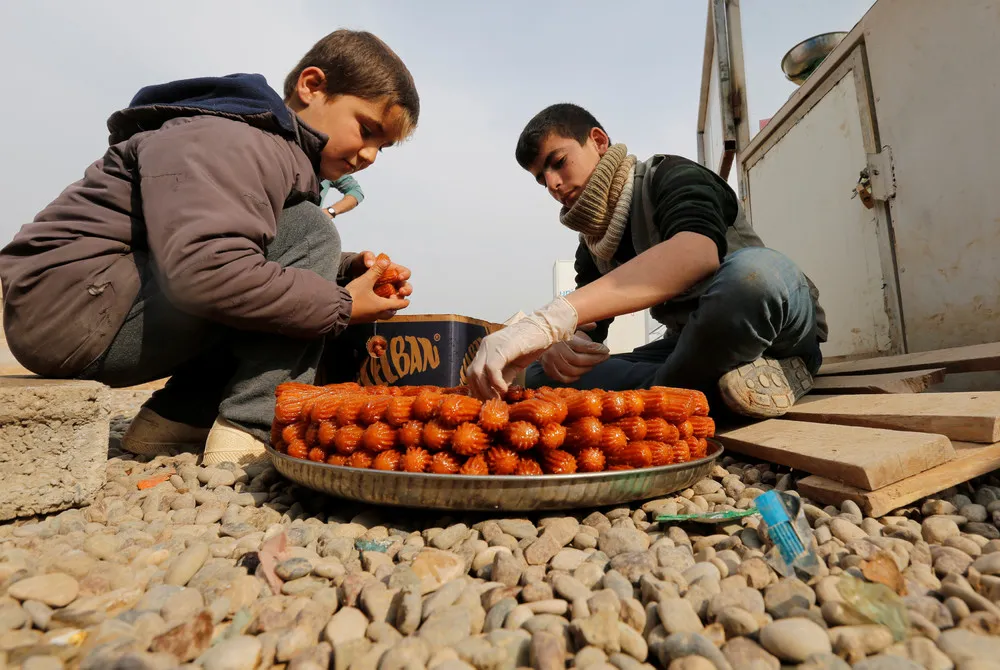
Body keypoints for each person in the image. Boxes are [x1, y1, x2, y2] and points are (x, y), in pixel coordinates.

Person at [0, 29, 419, 465]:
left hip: (77, 309)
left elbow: (230, 248)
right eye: (366, 130)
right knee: (313, 232)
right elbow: (205, 271)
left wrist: (344, 270)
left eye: (382, 147)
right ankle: (249, 428)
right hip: (75, 313)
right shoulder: (232, 139)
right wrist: (341, 305)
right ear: (311, 86)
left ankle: (177, 419)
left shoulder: (260, 145)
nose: (369, 156)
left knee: (303, 247)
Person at [466, 103, 828, 420]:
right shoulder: (592, 243)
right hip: (691, 346)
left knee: (752, 276)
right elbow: (590, 325)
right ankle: (715, 390)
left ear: (598, 141)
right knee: (542, 377)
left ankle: (675, 393)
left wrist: (549, 320)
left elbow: (696, 253)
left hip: (770, 319)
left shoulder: (670, 175)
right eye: (541, 180)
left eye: (558, 163)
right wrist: (561, 344)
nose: (553, 184)